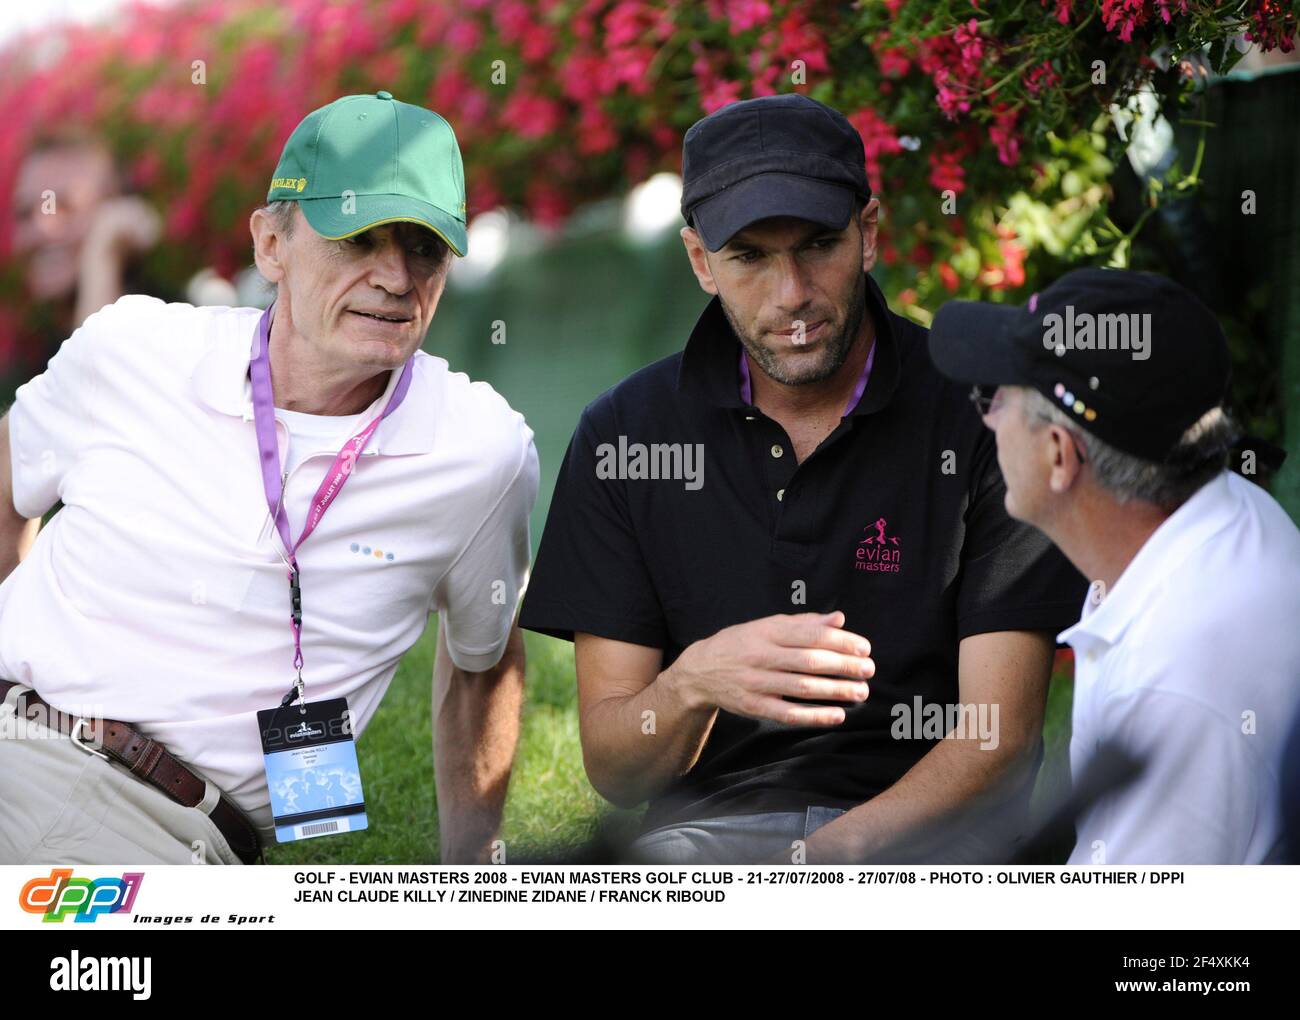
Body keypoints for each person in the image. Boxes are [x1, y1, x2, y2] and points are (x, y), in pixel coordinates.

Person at [520, 94, 1086, 865]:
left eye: (818, 243)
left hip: (938, 841)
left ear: (870, 234)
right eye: (749, 256)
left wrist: (826, 859)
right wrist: (694, 682)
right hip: (704, 847)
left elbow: (1000, 741)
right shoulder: (625, 433)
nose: (791, 293)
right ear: (699, 263)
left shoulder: (981, 416)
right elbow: (618, 770)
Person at [0, 91, 538, 865]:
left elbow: (485, 660)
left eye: (423, 246)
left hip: (152, 830)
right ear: (270, 245)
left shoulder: (479, 453)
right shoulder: (129, 347)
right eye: (357, 238)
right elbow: (7, 481)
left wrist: (472, 876)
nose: (394, 276)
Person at [927, 266, 1300, 864]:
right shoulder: (1228, 509)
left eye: (996, 398)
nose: (988, 418)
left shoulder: (1173, 684)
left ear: (1058, 456)